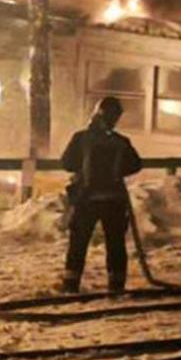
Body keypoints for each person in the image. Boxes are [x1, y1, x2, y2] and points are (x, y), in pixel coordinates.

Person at [59, 96, 143, 293]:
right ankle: (116, 285)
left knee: (79, 242)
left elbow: (67, 163)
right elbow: (135, 164)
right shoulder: (121, 142)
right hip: (114, 200)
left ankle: (71, 284)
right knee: (115, 243)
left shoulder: (81, 138)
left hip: (87, 199)